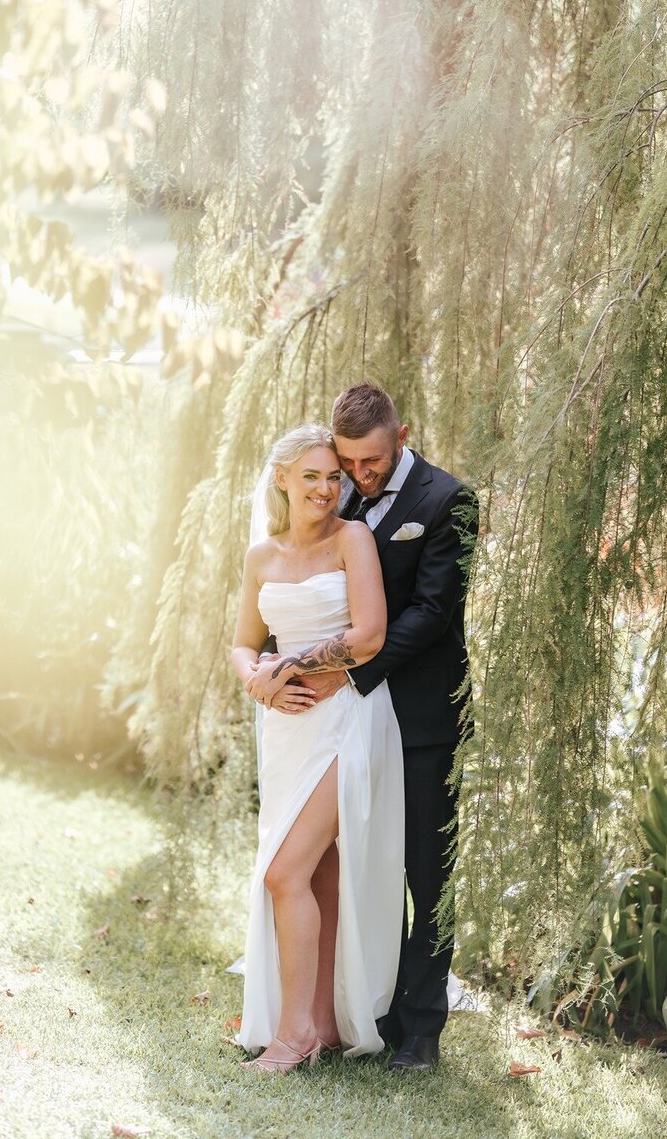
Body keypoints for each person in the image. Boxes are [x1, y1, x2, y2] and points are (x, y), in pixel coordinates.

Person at [295, 384, 478, 1072]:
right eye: (349, 463)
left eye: (371, 462)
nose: (359, 477)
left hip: (424, 718)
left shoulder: (448, 500)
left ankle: (421, 1030)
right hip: (347, 722)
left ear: (402, 436)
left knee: (427, 875)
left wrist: (347, 671)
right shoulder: (336, 494)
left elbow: (432, 615)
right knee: (354, 863)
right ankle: (355, 1007)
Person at [232, 423, 404, 1071]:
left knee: (284, 872)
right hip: (284, 727)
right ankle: (326, 1025)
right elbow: (244, 640)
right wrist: (257, 679)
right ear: (281, 478)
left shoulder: (351, 540)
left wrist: (294, 664)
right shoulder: (261, 557)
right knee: (317, 874)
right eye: (312, 476)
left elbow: (369, 634)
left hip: (346, 718)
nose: (327, 489)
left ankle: (294, 1035)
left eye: (334, 477)